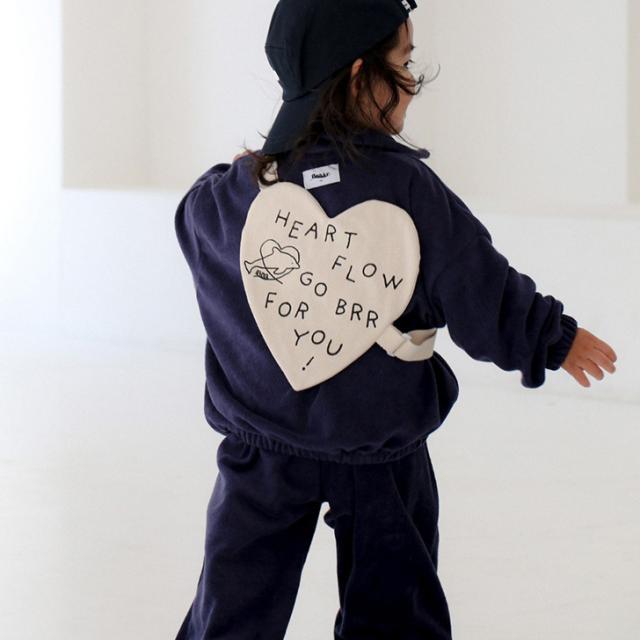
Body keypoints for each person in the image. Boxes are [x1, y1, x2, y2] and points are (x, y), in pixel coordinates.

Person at [173, 1, 618, 638]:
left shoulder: (232, 197)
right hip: (378, 446)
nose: (412, 82)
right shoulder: (408, 190)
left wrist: (256, 172)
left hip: (260, 448)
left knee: (233, 602)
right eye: (404, 64)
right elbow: (477, 285)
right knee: (396, 609)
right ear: (362, 77)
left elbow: (194, 227)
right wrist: (553, 338)